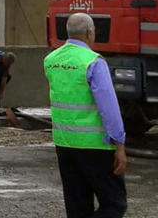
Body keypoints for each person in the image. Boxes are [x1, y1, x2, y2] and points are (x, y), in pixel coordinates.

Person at [44, 13, 127, 218]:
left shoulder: (51, 60)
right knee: (115, 205)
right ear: (90, 33)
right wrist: (119, 144)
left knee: (77, 207)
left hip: (64, 144)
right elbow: (109, 107)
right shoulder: (93, 62)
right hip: (95, 146)